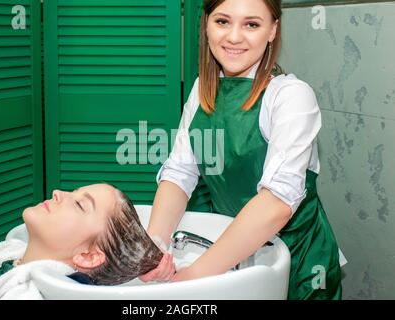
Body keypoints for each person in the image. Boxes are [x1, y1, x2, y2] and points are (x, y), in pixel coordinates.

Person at [140, 0, 344, 300]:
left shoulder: (291, 97)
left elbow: (276, 203)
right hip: (228, 254)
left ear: (273, 30)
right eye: (223, 21)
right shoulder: (202, 90)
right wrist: (155, 246)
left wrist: (193, 277)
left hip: (298, 262)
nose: (234, 37)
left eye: (252, 24)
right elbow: (179, 173)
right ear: (206, 24)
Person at [0, 184, 167, 299]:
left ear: (88, 257)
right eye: (73, 192)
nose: (58, 192)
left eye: (80, 205)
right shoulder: (8, 259)